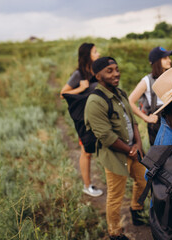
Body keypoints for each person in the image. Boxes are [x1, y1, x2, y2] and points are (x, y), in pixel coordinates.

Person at [84, 57, 147, 240]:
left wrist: (138, 144)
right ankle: (115, 232)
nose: (116, 73)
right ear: (98, 76)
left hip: (132, 149)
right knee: (115, 196)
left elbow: (132, 121)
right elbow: (106, 136)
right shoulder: (95, 101)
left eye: (116, 69)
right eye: (109, 70)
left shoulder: (120, 93)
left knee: (143, 181)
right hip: (114, 155)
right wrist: (129, 150)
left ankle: (136, 210)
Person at [60, 43, 103, 197]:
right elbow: (62, 93)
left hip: (98, 117)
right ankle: (87, 186)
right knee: (86, 152)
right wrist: (81, 88)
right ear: (87, 55)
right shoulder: (79, 74)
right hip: (83, 119)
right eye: (95, 52)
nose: (98, 54)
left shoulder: (97, 71)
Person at [128, 46, 172, 146]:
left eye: (169, 58)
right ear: (156, 61)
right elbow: (130, 101)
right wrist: (146, 118)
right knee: (160, 156)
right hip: (158, 125)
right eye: (165, 58)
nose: (169, 61)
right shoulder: (147, 80)